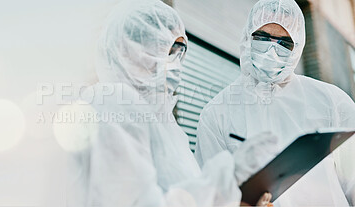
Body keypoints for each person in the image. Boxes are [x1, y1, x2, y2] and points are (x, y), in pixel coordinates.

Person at [66, 0, 276, 206]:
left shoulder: (171, 131)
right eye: (164, 48)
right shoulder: (111, 102)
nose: (174, 63)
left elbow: (187, 196)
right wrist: (228, 177)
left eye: (179, 52)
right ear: (126, 50)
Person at [194, 0, 355, 206]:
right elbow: (210, 195)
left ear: (297, 47)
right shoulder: (217, 113)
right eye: (262, 38)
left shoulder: (331, 101)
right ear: (247, 37)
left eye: (284, 43)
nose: (271, 50)